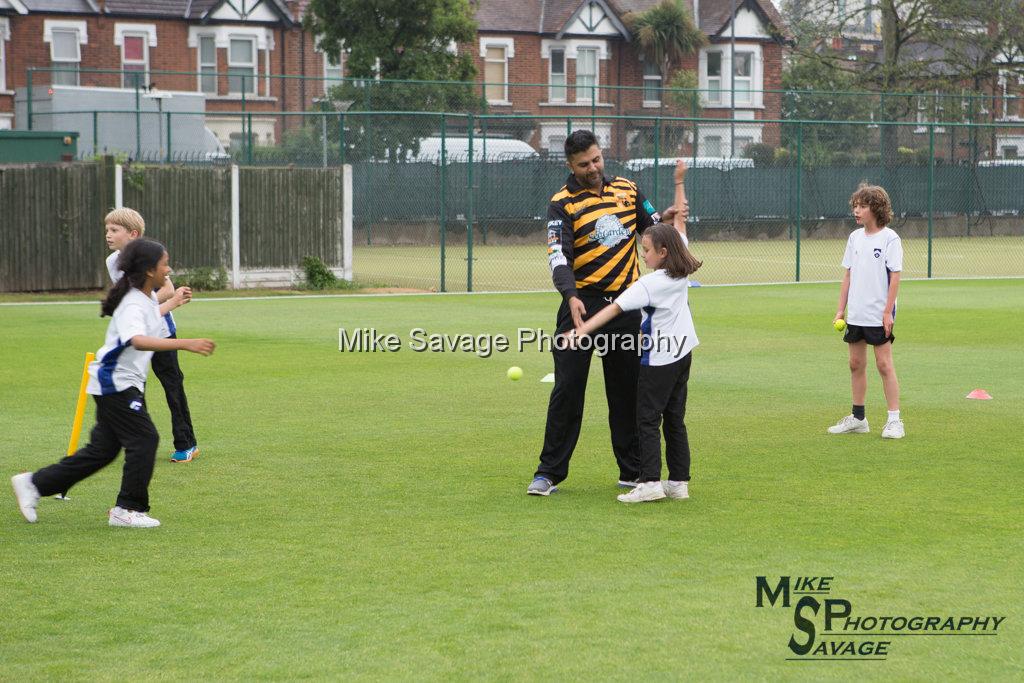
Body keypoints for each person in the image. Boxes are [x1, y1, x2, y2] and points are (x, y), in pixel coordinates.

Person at [11, 238, 215, 528]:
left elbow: (148, 322)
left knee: (102, 451)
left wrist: (172, 302)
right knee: (145, 439)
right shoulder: (133, 301)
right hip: (115, 382)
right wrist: (186, 343)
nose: (168, 269)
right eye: (164, 264)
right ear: (148, 270)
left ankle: (33, 484)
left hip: (121, 382)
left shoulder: (142, 298)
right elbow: (137, 340)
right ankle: (127, 509)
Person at [527, 130, 664, 496]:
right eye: (584, 164)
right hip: (580, 308)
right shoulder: (562, 203)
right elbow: (558, 256)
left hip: (626, 306)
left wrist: (667, 221)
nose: (593, 168)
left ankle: (633, 470)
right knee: (568, 390)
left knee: (627, 392)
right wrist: (570, 295)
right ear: (570, 165)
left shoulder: (629, 190)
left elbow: (655, 231)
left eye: (597, 159)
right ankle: (549, 473)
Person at [566, 161, 702, 503]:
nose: (642, 256)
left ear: (662, 252)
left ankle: (650, 483)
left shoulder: (650, 284)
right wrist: (679, 182)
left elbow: (612, 309)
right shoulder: (681, 265)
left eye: (646, 251)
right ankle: (679, 483)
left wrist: (581, 330)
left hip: (658, 359)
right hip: (684, 353)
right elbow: (680, 220)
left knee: (646, 419)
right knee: (675, 418)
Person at [104, 208, 200, 463]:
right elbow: (138, 299)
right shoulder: (113, 262)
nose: (108, 235)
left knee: (172, 386)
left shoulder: (151, 257)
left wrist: (156, 302)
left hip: (162, 332)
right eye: (107, 230)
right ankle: (139, 443)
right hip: (135, 332)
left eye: (114, 230)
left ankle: (187, 443)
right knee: (135, 388)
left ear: (133, 234)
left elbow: (168, 289)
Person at [828, 183, 904, 439]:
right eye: (855, 206)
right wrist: (840, 310)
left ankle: (894, 420)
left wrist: (887, 312)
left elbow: (895, 277)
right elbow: (848, 275)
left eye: (862, 206)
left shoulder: (890, 238)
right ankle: (858, 418)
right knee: (855, 363)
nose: (856, 211)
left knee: (884, 364)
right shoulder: (854, 238)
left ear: (876, 208)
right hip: (857, 313)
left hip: (878, 313)